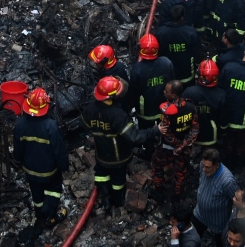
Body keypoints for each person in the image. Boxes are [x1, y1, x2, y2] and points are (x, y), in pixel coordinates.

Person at [82, 76, 160, 212]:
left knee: (101, 175)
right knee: (118, 181)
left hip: (101, 154)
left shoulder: (89, 109)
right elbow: (135, 137)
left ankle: (106, 199)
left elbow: (84, 125)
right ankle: (117, 202)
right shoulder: (117, 115)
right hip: (118, 157)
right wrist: (155, 130)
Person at [12, 88, 70, 243]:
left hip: (30, 171)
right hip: (49, 172)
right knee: (54, 191)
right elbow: (59, 150)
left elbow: (18, 149)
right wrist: (64, 165)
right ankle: (49, 215)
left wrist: (18, 160)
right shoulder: (50, 126)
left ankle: (39, 214)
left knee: (36, 194)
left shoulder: (20, 125)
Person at [152, 85, 198, 203]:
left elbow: (166, 132)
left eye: (166, 91)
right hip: (184, 147)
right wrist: (183, 145)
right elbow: (195, 129)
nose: (164, 92)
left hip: (167, 148)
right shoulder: (191, 107)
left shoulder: (167, 110)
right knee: (180, 171)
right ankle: (177, 195)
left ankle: (159, 191)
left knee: (157, 165)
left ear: (173, 94)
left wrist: (177, 145)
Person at [193, 149, 242, 246]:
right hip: (200, 214)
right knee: (192, 237)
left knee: (221, 243)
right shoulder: (203, 167)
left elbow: (237, 199)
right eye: (203, 165)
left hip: (217, 221)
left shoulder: (227, 181)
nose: (204, 169)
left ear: (217, 166)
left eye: (208, 167)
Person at [131, 34, 176, 129]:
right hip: (164, 107)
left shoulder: (137, 69)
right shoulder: (167, 63)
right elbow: (173, 84)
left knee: (146, 133)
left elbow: (133, 92)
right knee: (165, 130)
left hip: (145, 111)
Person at [153, 3, 203, 82]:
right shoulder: (190, 32)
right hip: (187, 75)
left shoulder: (160, 33)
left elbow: (157, 52)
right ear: (182, 18)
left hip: (168, 75)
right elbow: (197, 52)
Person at [184, 59, 226, 149]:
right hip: (210, 136)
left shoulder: (189, 92)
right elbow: (223, 120)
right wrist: (223, 132)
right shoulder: (221, 95)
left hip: (191, 136)